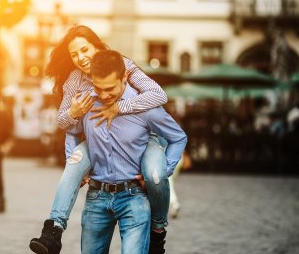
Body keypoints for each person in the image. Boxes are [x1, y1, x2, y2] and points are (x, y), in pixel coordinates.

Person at [29, 25, 171, 254]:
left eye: (84, 50)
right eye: (74, 54)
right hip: (97, 142)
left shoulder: (121, 65)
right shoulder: (75, 79)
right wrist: (73, 112)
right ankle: (53, 231)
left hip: (135, 139)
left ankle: (158, 231)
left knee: (156, 176)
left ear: (97, 45)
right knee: (73, 164)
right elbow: (64, 124)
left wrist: (119, 107)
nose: (80, 58)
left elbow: (158, 95)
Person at [72, 50, 187, 253]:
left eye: (110, 88)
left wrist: (162, 171)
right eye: (99, 88)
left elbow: (178, 137)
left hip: (134, 198)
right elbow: (70, 132)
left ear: (124, 77)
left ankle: (159, 228)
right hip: (96, 198)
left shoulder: (146, 107)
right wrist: (76, 164)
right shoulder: (86, 103)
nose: (104, 95)